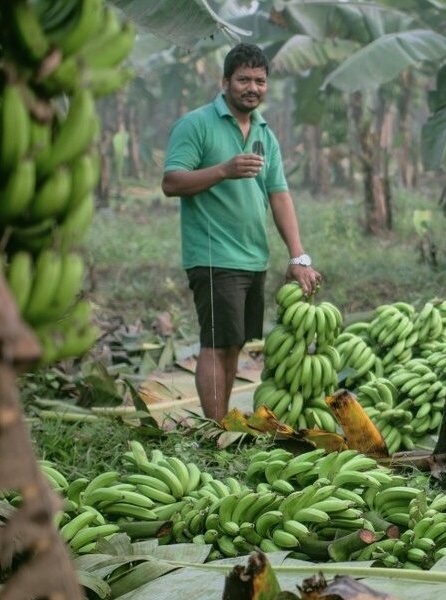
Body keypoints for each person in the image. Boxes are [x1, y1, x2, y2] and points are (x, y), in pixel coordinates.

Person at [162, 43, 321, 421]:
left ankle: (222, 421)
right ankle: (216, 431)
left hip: (253, 255)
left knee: (234, 344)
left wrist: (298, 257)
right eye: (244, 79)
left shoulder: (265, 132)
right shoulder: (196, 124)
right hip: (214, 254)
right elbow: (171, 182)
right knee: (216, 344)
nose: (252, 87)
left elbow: (279, 195)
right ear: (225, 82)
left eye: (260, 81)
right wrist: (224, 170)